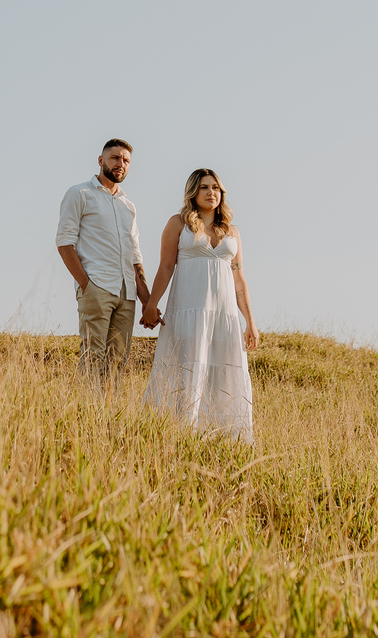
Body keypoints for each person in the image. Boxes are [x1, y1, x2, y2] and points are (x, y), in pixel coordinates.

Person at [141, 168, 258, 439]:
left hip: (224, 315)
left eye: (215, 188)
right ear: (193, 192)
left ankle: (224, 436)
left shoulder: (233, 232)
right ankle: (178, 434)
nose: (211, 193)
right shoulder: (177, 224)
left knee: (224, 371)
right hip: (188, 310)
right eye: (204, 187)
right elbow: (166, 266)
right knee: (187, 367)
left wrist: (250, 322)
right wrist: (151, 304)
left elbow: (239, 279)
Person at [56, 139, 153, 381]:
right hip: (97, 286)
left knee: (118, 360)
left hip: (127, 293)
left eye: (126, 161)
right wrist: (86, 284)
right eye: (115, 158)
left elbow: (135, 255)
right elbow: (64, 242)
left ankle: (108, 416)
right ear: (101, 161)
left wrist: (147, 301)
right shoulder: (80, 193)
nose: (121, 164)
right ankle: (88, 414)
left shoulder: (128, 206)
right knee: (92, 355)